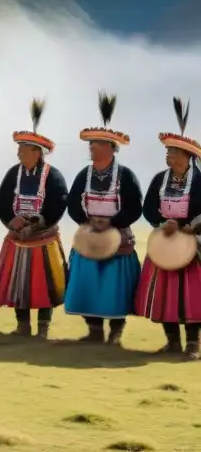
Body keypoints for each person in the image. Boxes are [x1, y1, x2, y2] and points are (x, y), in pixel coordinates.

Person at [65, 92, 143, 346]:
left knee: (115, 289)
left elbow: (135, 206)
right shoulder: (83, 175)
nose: (90, 148)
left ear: (109, 147)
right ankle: (94, 330)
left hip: (117, 237)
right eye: (91, 144)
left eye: (96, 144)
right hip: (90, 236)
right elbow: (72, 203)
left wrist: (112, 222)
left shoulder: (126, 176)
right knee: (86, 284)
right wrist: (88, 222)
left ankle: (115, 333)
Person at [0, 100, 69, 339]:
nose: (18, 153)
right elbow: (1, 201)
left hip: (43, 238)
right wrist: (10, 221)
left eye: (23, 149)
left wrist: (39, 222)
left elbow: (59, 203)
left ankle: (43, 328)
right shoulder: (13, 173)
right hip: (17, 237)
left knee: (44, 284)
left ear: (37, 152)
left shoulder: (53, 176)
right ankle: (22, 325)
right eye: (19, 149)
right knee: (18, 283)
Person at [135, 97, 201, 360]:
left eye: (172, 151)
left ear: (186, 156)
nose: (168, 154)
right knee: (164, 295)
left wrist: (189, 227)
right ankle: (172, 342)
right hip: (165, 241)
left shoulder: (200, 181)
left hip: (194, 243)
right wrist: (163, 224)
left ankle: (193, 344)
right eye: (168, 151)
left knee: (193, 295)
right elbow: (148, 208)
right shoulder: (158, 180)